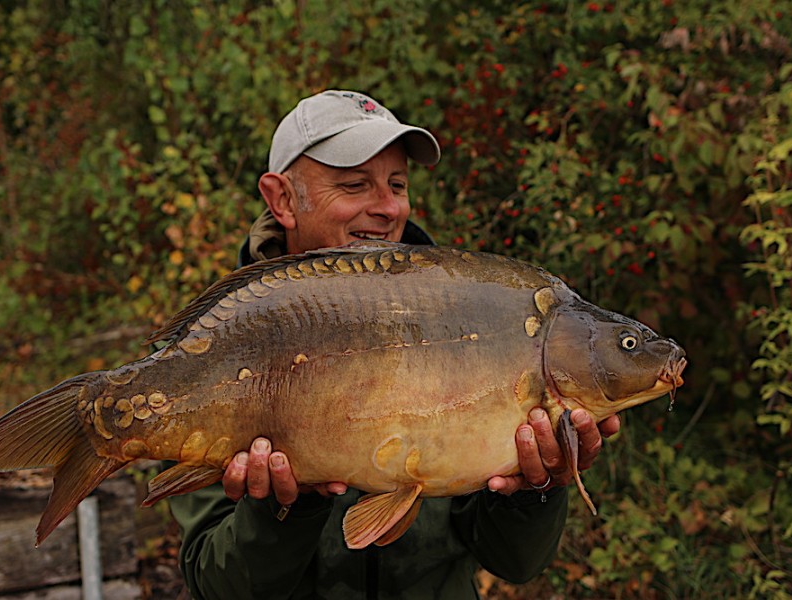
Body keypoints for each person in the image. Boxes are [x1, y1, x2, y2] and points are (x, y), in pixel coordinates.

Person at [168, 90, 621, 599]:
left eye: (397, 184)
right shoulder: (218, 348)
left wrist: (538, 488)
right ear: (282, 199)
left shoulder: (477, 320)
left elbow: (515, 563)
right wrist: (284, 506)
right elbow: (213, 584)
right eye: (355, 184)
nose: (387, 208)